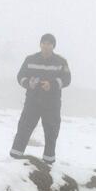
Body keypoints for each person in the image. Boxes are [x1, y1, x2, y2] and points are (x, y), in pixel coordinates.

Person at [9, 33, 71, 164]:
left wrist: (52, 85)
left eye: (49, 43)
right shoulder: (30, 59)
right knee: (24, 129)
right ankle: (14, 159)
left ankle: (48, 163)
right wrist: (28, 83)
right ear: (40, 44)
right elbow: (20, 76)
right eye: (44, 43)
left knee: (51, 132)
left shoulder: (61, 62)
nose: (46, 46)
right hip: (32, 102)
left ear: (53, 46)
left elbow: (67, 79)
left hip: (52, 104)